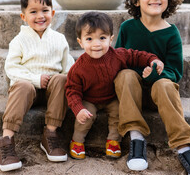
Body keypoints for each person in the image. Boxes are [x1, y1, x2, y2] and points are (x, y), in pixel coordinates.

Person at [114, 0, 190, 175]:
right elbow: (118, 59)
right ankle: (136, 138)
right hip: (132, 95)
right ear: (137, 0)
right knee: (125, 75)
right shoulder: (127, 28)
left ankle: (185, 147)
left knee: (165, 85)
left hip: (161, 94)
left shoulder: (171, 32)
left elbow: (175, 70)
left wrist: (155, 73)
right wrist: (141, 72)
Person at [65, 11, 164, 160]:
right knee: (85, 118)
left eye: (102, 38)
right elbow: (72, 91)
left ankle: (113, 141)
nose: (96, 44)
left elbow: (136, 55)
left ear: (111, 39)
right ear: (81, 42)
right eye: (89, 39)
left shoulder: (117, 55)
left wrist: (153, 60)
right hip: (89, 99)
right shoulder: (78, 68)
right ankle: (77, 141)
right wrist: (78, 109)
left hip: (111, 98)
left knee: (118, 113)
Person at [0, 0, 75, 172]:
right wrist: (35, 79)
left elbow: (68, 66)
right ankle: (7, 140)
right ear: (23, 17)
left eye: (45, 11)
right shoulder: (19, 41)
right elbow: (12, 68)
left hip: (52, 93)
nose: (40, 16)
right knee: (22, 85)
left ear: (52, 13)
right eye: (33, 12)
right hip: (27, 90)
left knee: (63, 79)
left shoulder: (59, 39)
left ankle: (50, 134)